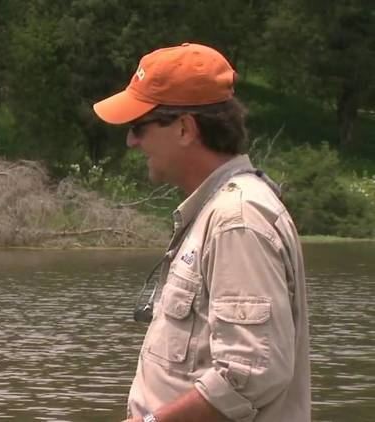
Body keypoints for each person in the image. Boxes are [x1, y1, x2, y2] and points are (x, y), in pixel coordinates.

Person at [93, 43, 311, 422]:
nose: (131, 141)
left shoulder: (236, 219)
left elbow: (250, 374)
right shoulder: (220, 212)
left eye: (138, 127)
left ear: (184, 128)